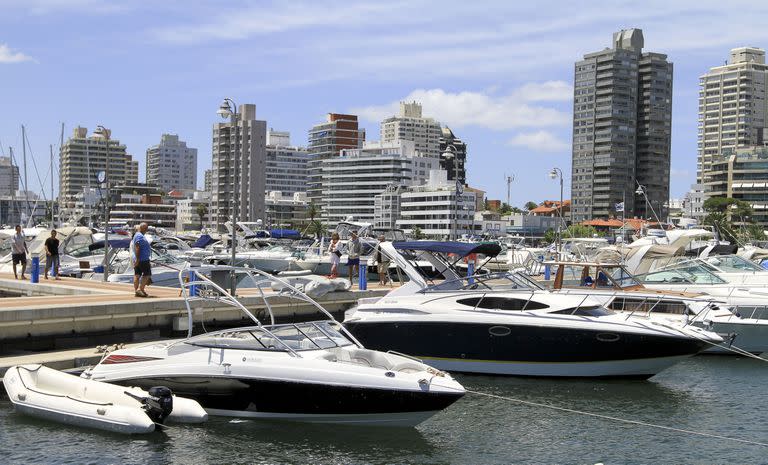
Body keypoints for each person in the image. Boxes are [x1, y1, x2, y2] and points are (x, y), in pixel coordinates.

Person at [133, 222, 152, 297]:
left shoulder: (138, 235)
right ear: (144, 229)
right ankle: (140, 289)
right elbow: (138, 247)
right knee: (147, 274)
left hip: (140, 259)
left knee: (137, 274)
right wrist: (138, 259)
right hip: (142, 259)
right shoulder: (139, 236)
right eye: (146, 228)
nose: (146, 230)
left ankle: (138, 291)